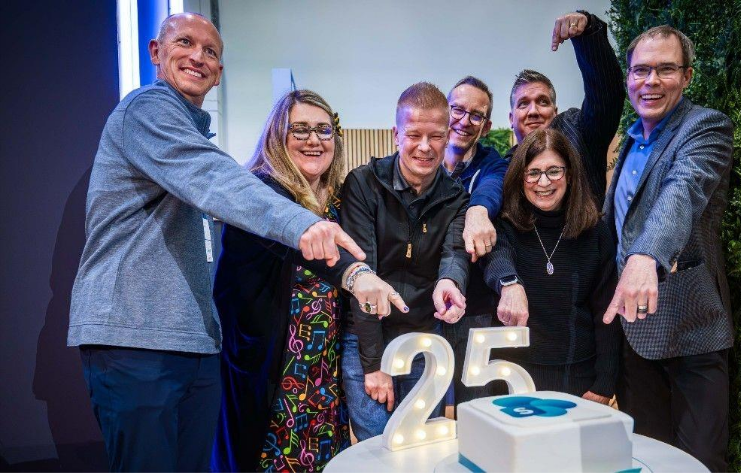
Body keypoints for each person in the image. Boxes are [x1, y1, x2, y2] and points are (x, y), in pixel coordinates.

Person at [68, 14, 364, 473]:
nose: (198, 57)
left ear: (219, 72)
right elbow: (211, 175)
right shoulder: (146, 109)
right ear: (154, 52)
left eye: (211, 52)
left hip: (196, 344)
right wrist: (309, 228)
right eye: (185, 42)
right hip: (137, 337)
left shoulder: (195, 135)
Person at [212, 90, 400, 473]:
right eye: (299, 129)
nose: (314, 139)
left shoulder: (338, 202)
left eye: (323, 130)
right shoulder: (261, 193)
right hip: (276, 371)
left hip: (324, 372)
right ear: (277, 136)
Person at [601, 26, 735, 473]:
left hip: (692, 331)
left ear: (687, 76)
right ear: (628, 79)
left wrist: (646, 255)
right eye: (641, 70)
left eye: (665, 69)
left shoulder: (705, 127)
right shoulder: (631, 138)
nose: (651, 81)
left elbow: (684, 190)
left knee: (698, 464)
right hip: (634, 337)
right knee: (645, 460)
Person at [339, 82, 471, 441]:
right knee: (376, 447)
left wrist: (451, 284)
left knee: (422, 447)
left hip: (425, 339)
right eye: (414, 134)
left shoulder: (457, 196)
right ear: (397, 134)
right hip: (367, 337)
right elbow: (360, 271)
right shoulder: (364, 184)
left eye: (435, 136)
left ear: (448, 137)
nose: (425, 147)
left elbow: (454, 253)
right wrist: (373, 364)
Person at [482, 128, 620, 402]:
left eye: (553, 171)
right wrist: (510, 283)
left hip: (578, 381)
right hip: (512, 379)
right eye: (533, 173)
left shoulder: (596, 232)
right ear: (520, 179)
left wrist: (604, 383)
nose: (543, 182)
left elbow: (607, 315)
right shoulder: (505, 225)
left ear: (569, 174)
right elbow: (496, 257)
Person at [506, 10, 625, 205]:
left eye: (543, 101)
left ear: (555, 112)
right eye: (523, 103)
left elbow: (607, 94)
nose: (533, 111)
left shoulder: (580, 132)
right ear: (511, 118)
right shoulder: (503, 168)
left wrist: (587, 32)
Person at [441, 76, 509, 408]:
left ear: (486, 125)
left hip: (476, 309)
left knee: (476, 410)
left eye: (476, 115)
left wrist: (478, 211)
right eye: (457, 109)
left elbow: (493, 185)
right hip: (424, 307)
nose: (465, 121)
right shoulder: (419, 160)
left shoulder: (492, 163)